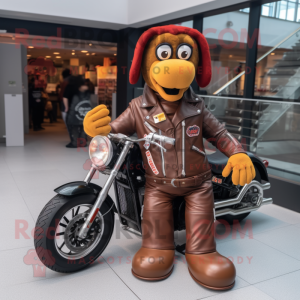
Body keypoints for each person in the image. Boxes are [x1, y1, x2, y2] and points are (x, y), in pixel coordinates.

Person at [83, 25, 256, 290]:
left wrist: (238, 152)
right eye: (164, 55)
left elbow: (219, 133)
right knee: (154, 247)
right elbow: (115, 130)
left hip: (198, 183)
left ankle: (202, 251)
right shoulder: (137, 108)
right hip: (158, 185)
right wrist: (98, 129)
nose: (176, 67)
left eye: (185, 56)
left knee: (202, 235)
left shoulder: (197, 107)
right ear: (145, 66)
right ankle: (156, 245)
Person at [63, 76, 91, 148]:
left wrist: (66, 107)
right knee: (84, 126)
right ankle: (83, 142)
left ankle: (75, 142)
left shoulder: (70, 87)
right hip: (85, 110)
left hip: (73, 111)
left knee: (73, 126)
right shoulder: (86, 87)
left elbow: (65, 97)